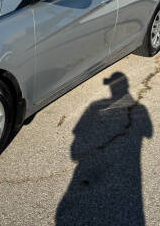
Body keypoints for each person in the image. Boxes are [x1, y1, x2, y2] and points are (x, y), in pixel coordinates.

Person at [56, 72, 153, 226]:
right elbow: (148, 133)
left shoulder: (97, 105)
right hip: (130, 169)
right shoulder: (138, 107)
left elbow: (78, 132)